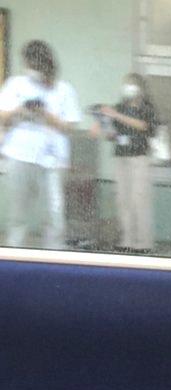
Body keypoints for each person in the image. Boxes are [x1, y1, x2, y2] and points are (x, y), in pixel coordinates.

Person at [0, 40, 80, 249]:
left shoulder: (64, 89)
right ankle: (13, 255)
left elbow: (70, 126)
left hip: (52, 159)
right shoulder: (15, 84)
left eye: (35, 63)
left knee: (54, 213)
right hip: (19, 154)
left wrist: (45, 114)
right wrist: (21, 110)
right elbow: (3, 117)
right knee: (18, 212)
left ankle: (54, 256)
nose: (31, 68)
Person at [92, 73, 158, 252]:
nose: (127, 88)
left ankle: (143, 242)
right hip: (122, 157)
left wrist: (116, 116)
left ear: (139, 88)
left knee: (139, 199)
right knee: (123, 199)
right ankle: (127, 239)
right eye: (125, 85)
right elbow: (112, 134)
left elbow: (145, 126)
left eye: (131, 85)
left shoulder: (147, 108)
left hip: (140, 158)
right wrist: (102, 122)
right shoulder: (119, 107)